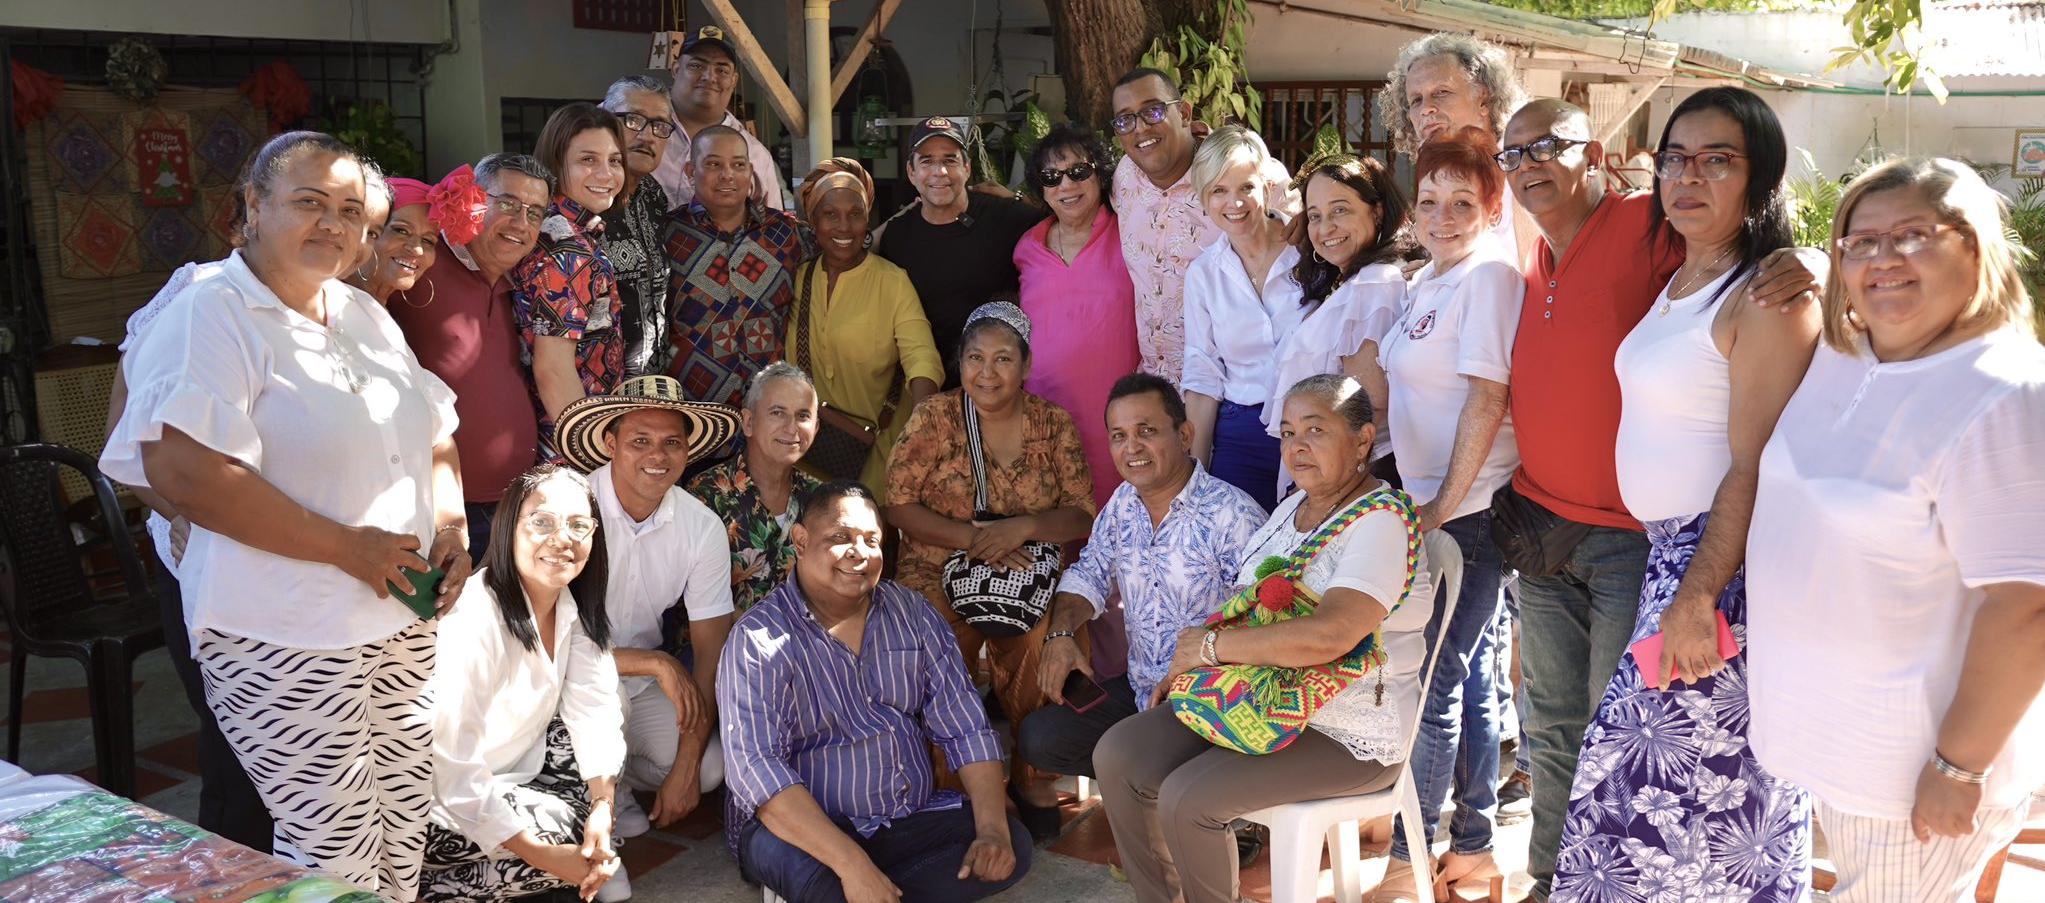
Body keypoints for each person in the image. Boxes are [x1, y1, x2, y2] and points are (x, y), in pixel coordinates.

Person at [100, 131, 469, 898]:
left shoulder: (363, 315)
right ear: (252, 209)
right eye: (308, 202)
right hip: (283, 629)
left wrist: (451, 528)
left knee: (401, 831)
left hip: (397, 618)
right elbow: (184, 468)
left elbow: (434, 431)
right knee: (334, 853)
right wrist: (348, 548)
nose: (333, 224)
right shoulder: (213, 310)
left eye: (348, 210)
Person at [1500, 99, 1825, 900]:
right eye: (1675, 158)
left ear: (1759, 177)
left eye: (1717, 160)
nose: (1687, 176)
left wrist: (1698, 592)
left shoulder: (1765, 294)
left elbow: (1755, 463)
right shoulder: (1679, 271)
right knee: (1661, 821)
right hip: (1669, 560)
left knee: (1678, 814)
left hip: (1716, 570)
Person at [1747, 157, 2045, 902]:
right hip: (1833, 746)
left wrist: (1957, 766)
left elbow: (2028, 606)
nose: (1881, 259)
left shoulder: (2004, 392)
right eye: (1860, 240)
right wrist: (1818, 259)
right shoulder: (1852, 356)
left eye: (1912, 235)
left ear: (1973, 246)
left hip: (1907, 774)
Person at [1094, 373, 1436, 903]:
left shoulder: (1379, 521)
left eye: (1315, 430)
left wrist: (1209, 650)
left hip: (1344, 731)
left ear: (1364, 439)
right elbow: (1247, 608)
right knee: (1120, 752)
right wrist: (1191, 668)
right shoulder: (1290, 511)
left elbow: (1333, 634)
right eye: (1288, 432)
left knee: (1189, 797)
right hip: (1259, 695)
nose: (1297, 447)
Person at [719, 480, 1032, 903]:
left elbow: (966, 728)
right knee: (826, 882)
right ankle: (852, 881)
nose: (860, 553)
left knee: (1011, 843)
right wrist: (850, 863)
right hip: (800, 829)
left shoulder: (912, 614)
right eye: (841, 538)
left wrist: (992, 832)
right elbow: (759, 773)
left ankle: (869, 887)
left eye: (872, 540)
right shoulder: (758, 639)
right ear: (800, 540)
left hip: (904, 817)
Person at [1371, 129, 1523, 901]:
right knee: (1455, 678)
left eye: (1463, 201)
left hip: (1469, 511)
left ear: (1492, 205)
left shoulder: (1488, 276)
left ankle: (1407, 859)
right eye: (1429, 199)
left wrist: (1439, 506)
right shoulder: (1428, 279)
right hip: (1428, 508)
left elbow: (1487, 398)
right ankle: (1471, 843)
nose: (1442, 213)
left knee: (1432, 683)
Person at [884, 302, 1095, 838]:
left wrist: (1021, 528)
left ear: (1026, 365)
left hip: (1024, 576)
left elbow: (1079, 513)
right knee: (931, 640)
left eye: (1003, 358)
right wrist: (975, 540)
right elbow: (899, 505)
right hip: (936, 567)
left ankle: (1031, 774)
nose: (987, 371)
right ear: (960, 364)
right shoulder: (934, 417)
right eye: (975, 357)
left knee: (1038, 638)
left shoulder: (1053, 423)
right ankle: (952, 782)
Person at [1019, 373, 1266, 782]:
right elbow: (1090, 572)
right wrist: (1060, 634)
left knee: (1132, 758)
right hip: (1141, 691)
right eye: (1118, 435)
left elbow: (1261, 625)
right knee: (1041, 738)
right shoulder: (1123, 503)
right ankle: (1167, 792)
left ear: (1185, 435)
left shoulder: (1232, 516)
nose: (1131, 448)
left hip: (1210, 701)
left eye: (1146, 431)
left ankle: (1199, 807)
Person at [549, 376, 744, 858]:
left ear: (687, 451)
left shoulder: (700, 527)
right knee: (605, 697)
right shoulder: (569, 507)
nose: (657, 455)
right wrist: (656, 663)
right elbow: (541, 636)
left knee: (708, 769)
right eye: (640, 440)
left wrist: (686, 766)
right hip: (560, 679)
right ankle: (596, 812)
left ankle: (620, 784)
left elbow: (710, 649)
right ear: (610, 445)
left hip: (636, 680)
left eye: (671, 442)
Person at [422, 466, 624, 902]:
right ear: (507, 528)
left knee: (591, 810)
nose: (561, 538)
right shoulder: (475, 616)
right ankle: (419, 887)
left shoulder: (573, 606)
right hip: (432, 804)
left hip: (510, 778)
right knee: (567, 842)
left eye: (577, 525)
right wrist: (540, 855)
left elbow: (596, 709)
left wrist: (602, 810)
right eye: (542, 522)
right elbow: (450, 765)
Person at [389, 154, 550, 558]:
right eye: (508, 204)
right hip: (435, 513)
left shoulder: (531, 284)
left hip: (513, 507)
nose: (521, 223)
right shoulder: (420, 261)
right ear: (475, 201)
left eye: (535, 213)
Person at [1108, 67, 1295, 384]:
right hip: (1156, 385)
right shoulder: (1125, 176)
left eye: (1153, 111)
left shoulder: (1243, 173)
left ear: (1182, 112)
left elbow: (1309, 242)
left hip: (1235, 391)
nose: (1140, 128)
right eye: (1125, 120)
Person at [791, 157, 942, 495]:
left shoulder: (891, 281)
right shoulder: (799, 280)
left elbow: (922, 358)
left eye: (855, 214)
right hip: (807, 452)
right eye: (830, 215)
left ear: (868, 219)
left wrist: (923, 430)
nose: (844, 227)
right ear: (813, 222)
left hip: (879, 450)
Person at [1014, 123, 1142, 510]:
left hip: (1119, 415)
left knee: (1119, 516)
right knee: (1054, 518)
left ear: (1099, 175)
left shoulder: (1132, 233)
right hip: (1045, 414)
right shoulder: (1027, 247)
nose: (1066, 186)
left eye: (1078, 172)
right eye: (1052, 177)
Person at [1179, 125, 1305, 511]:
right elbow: (1203, 376)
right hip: (1241, 434)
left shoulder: (1310, 251)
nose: (1234, 202)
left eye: (1245, 187)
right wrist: (1194, 484)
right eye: (1219, 190)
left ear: (1266, 187)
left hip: (1314, 428)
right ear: (1203, 199)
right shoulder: (1203, 274)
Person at [875, 116, 1045, 387]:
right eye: (927, 161)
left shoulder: (1006, 217)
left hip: (1004, 388)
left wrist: (1018, 198)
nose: (939, 172)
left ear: (966, 167)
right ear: (911, 172)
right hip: (932, 388)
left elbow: (1065, 221)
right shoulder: (898, 237)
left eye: (950, 160)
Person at [1272, 153, 1410, 478]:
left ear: (1376, 211)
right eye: (1315, 216)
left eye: (1340, 210)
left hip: (1355, 474)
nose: (1326, 227)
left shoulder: (1375, 285)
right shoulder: (1347, 282)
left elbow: (1368, 403)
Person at [660, 124, 816, 409]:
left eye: (738, 164)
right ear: (691, 172)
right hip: (693, 408)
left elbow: (844, 252)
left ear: (750, 172)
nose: (727, 174)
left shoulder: (787, 234)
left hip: (772, 406)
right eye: (713, 164)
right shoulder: (666, 235)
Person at [516, 103, 629, 452]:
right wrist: (590, 457)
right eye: (588, 160)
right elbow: (553, 370)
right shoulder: (568, 250)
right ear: (555, 164)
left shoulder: (558, 230)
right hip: (569, 446)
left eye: (614, 160)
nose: (606, 174)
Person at [1376, 33, 1531, 262]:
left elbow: (1535, 276)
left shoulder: (1524, 167)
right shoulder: (1436, 173)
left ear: (1484, 100)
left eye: (1441, 93)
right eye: (1416, 100)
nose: (1426, 109)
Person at [688, 362, 824, 614]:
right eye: (777, 413)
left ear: (815, 428)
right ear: (748, 422)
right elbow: (695, 601)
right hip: (721, 646)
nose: (792, 427)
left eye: (803, 416)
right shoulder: (706, 493)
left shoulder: (822, 499)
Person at [650, 25, 786, 213]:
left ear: (734, 80)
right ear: (675, 69)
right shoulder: (638, 127)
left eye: (722, 70)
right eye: (697, 66)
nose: (709, 77)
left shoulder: (755, 154)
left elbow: (773, 227)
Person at [599, 75, 677, 377]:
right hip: (594, 395)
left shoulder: (654, 196)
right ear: (602, 117)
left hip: (653, 388)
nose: (647, 136)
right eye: (633, 120)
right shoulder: (576, 202)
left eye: (659, 126)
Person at [345, 176, 439, 306]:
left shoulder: (380, 310)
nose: (417, 249)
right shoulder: (326, 300)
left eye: (428, 240)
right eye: (401, 231)